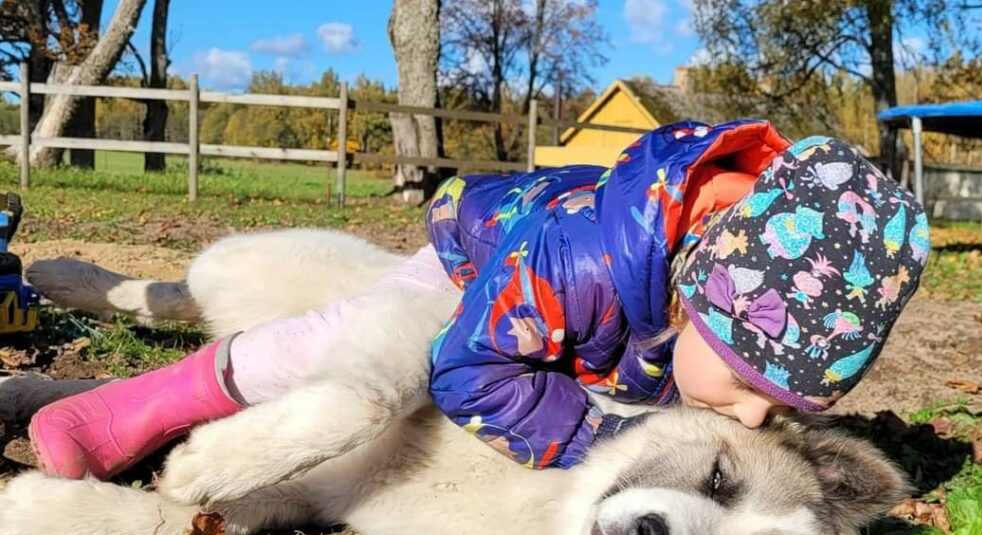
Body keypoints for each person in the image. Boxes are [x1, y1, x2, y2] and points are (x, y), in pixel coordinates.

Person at [28, 120, 929, 479]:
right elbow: (470, 373)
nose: (758, 416)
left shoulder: (701, 308)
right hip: (482, 257)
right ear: (701, 297)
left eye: (783, 403)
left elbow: (669, 365)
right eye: (747, 380)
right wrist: (591, 438)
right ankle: (136, 406)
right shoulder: (574, 268)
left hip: (599, 310)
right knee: (346, 336)